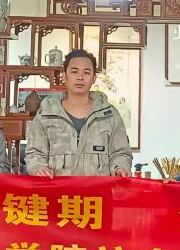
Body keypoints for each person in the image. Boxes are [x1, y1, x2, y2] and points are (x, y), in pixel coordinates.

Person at [25, 49, 132, 177]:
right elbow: (34, 154)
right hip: (59, 189)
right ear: (64, 76)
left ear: (94, 78)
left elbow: (121, 153)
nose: (80, 77)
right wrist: (38, 167)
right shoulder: (45, 115)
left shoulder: (110, 115)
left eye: (86, 72)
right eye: (74, 71)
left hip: (99, 190)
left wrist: (120, 168)